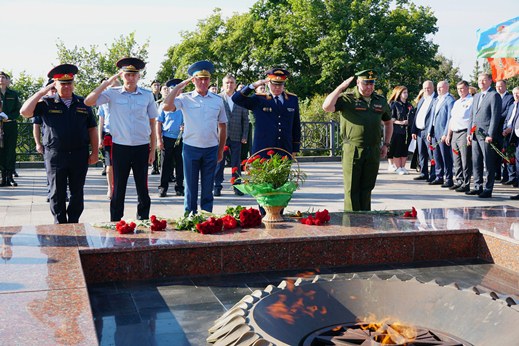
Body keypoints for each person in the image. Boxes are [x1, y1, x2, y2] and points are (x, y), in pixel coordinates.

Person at [20, 64, 98, 224]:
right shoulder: (46, 103)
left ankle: (74, 221)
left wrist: (95, 152)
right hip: (55, 155)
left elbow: (92, 129)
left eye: (69, 83)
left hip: (79, 153)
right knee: (57, 192)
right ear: (55, 84)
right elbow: (25, 112)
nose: (67, 86)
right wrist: (41, 92)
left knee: (77, 191)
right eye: (62, 83)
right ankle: (60, 223)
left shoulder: (83, 103)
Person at [85, 57, 158, 221]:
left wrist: (153, 150)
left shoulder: (147, 95)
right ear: (122, 76)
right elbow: (89, 101)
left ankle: (143, 219)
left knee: (143, 188)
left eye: (134, 75)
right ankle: (116, 221)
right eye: (127, 75)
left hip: (141, 146)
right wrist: (107, 82)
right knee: (118, 187)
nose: (130, 78)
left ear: (139, 76)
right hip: (120, 147)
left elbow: (152, 123)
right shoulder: (112, 94)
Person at [322, 70, 392, 211]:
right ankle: (352, 223)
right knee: (352, 188)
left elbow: (388, 122)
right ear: (358, 83)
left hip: (373, 149)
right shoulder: (348, 99)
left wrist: (386, 144)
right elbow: (327, 106)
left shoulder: (380, 101)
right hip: (352, 149)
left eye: (371, 84)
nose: (369, 87)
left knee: (367, 188)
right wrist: (341, 87)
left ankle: (366, 219)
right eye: (366, 83)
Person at [162, 60, 227, 213]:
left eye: (206, 79)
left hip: (211, 148)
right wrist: (178, 87)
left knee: (208, 187)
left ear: (210, 80)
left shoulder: (218, 100)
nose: (203, 82)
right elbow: (166, 106)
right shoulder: (185, 98)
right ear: (193, 80)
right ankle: (190, 216)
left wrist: (220, 149)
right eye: (199, 79)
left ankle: (206, 217)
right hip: (191, 148)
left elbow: (223, 125)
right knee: (190, 187)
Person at [232, 68, 301, 158]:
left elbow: (296, 124)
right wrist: (254, 85)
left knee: (283, 172)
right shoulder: (259, 99)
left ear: (284, 84)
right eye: (274, 84)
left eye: (280, 85)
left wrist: (295, 148)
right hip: (263, 148)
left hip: (284, 148)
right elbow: (236, 99)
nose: (277, 87)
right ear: (268, 83)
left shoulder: (292, 99)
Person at [466, 73, 502, 198]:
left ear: (490, 81)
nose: (481, 82)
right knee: (476, 162)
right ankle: (477, 186)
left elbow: (495, 117)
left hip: (486, 135)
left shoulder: (494, 95)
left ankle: (488, 188)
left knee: (489, 162)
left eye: (484, 80)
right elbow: (472, 116)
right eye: (479, 80)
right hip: (475, 134)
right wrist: (469, 133)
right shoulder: (476, 96)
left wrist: (490, 134)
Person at [214, 74, 249, 196]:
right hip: (220, 136)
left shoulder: (241, 99)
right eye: (227, 83)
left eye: (231, 83)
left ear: (235, 84)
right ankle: (217, 187)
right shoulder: (217, 98)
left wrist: (245, 135)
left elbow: (245, 119)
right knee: (219, 162)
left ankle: (238, 186)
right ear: (223, 85)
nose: (229, 85)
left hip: (236, 135)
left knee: (236, 163)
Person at [157, 78, 184, 197]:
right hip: (167, 137)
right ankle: (163, 187)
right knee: (165, 164)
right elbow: (158, 123)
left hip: (182, 138)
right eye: (173, 89)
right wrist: (159, 139)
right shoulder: (164, 104)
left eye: (178, 88)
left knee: (180, 164)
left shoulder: (184, 103)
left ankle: (179, 187)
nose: (176, 91)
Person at [445, 80, 473, 193]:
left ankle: (466, 183)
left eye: (462, 88)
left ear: (467, 88)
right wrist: (448, 134)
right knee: (456, 160)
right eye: (458, 89)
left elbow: (472, 119)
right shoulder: (456, 103)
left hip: (464, 132)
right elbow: (452, 120)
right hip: (455, 133)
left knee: (465, 159)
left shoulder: (472, 101)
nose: (460, 91)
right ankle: (459, 181)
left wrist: (469, 134)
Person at [426, 80, 455, 187]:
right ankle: (439, 176)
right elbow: (432, 117)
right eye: (437, 87)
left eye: (441, 87)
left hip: (443, 133)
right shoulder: (436, 100)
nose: (438, 89)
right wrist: (430, 131)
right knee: (436, 156)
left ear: (447, 88)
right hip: (434, 132)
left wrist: (446, 133)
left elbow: (449, 118)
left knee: (445, 156)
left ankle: (448, 178)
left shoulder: (449, 100)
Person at [97, 78, 121, 200]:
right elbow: (101, 120)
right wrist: (99, 138)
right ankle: (110, 188)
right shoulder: (102, 102)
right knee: (109, 164)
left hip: (122, 135)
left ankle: (118, 187)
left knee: (120, 164)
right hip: (108, 134)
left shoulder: (123, 99)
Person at [411, 80, 437, 182]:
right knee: (421, 153)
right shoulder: (422, 99)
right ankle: (423, 172)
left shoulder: (436, 99)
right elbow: (416, 115)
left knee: (432, 154)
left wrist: (431, 131)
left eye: (428, 88)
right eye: (425, 88)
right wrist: (414, 130)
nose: (426, 90)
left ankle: (434, 174)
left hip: (429, 131)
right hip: (419, 131)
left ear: (433, 87)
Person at [0, 71, 21, 187]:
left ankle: (10, 177)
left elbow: (19, 110)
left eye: (3, 77)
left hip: (10, 125)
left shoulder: (13, 94)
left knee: (10, 151)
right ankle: (2, 177)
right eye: (0, 77)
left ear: (7, 80)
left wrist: (9, 117)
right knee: (1, 152)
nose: (1, 79)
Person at [387, 86, 414, 175]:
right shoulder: (394, 104)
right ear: (399, 94)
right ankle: (398, 167)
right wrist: (401, 122)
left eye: (406, 92)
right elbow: (390, 119)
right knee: (397, 149)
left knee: (404, 150)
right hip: (397, 131)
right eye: (404, 92)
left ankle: (403, 166)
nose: (406, 94)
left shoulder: (409, 105)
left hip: (407, 131)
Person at [495, 79, 514, 183]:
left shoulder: (510, 98)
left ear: (505, 86)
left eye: (501, 86)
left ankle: (507, 176)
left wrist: (495, 118)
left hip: (505, 129)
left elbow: (507, 112)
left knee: (505, 153)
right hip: (495, 130)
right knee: (496, 153)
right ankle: (497, 174)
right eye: (497, 86)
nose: (498, 88)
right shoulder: (494, 96)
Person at [503, 86, 519, 196]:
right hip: (509, 136)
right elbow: (508, 119)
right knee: (510, 157)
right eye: (514, 93)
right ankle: (513, 177)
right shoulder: (513, 105)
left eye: (518, 93)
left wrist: (511, 129)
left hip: (515, 135)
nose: (516, 95)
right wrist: (505, 129)